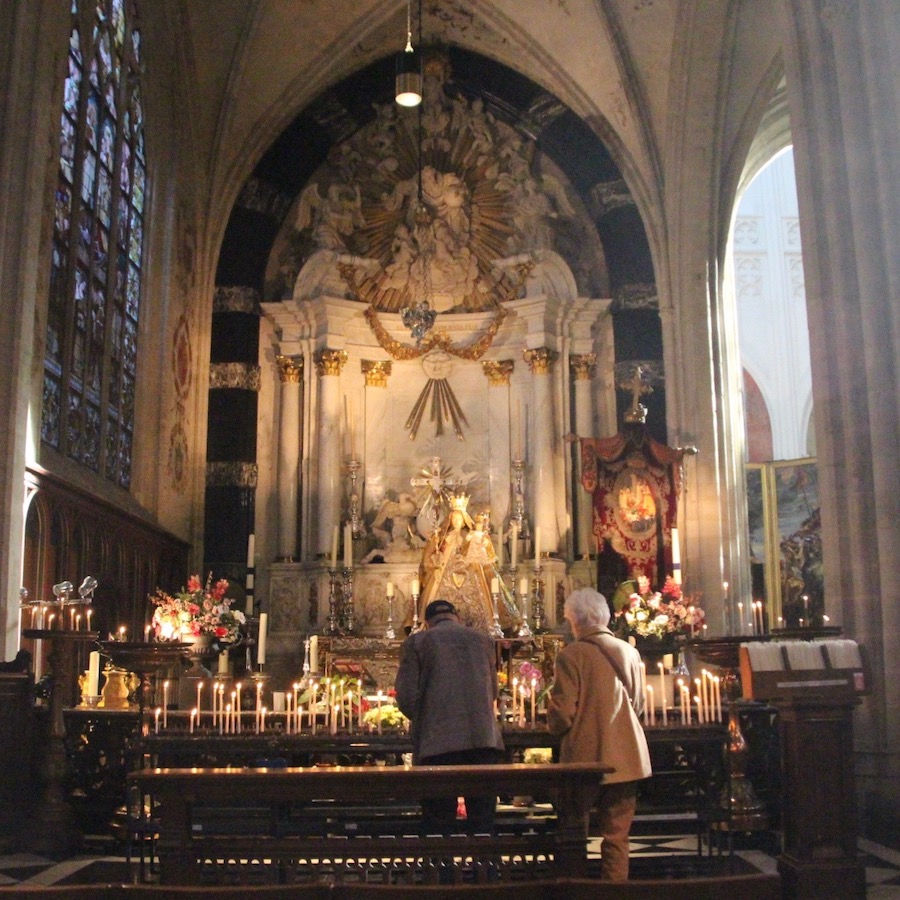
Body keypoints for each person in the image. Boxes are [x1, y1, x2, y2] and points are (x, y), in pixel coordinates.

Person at [547, 587, 652, 881]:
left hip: (584, 760)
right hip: (627, 757)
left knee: (574, 833)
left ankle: (578, 888)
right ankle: (614, 892)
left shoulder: (571, 655)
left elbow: (563, 714)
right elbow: (639, 705)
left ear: (575, 621)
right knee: (617, 837)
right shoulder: (629, 652)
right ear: (603, 617)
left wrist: (551, 719)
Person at [394, 599, 504, 835]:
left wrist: (428, 718)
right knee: (483, 823)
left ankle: (442, 871)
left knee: (438, 823)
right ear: (457, 617)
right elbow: (493, 691)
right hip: (483, 742)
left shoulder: (418, 642)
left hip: (438, 746)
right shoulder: (484, 641)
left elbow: (406, 696)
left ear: (427, 622)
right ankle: (485, 871)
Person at [417, 498, 499, 632]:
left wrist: (482, 541)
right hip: (445, 572)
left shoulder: (470, 535)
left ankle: (484, 625)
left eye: (459, 520)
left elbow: (480, 551)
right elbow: (430, 555)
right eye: (454, 520)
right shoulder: (443, 537)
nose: (456, 522)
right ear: (450, 520)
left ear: (464, 520)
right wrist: (434, 565)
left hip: (469, 571)